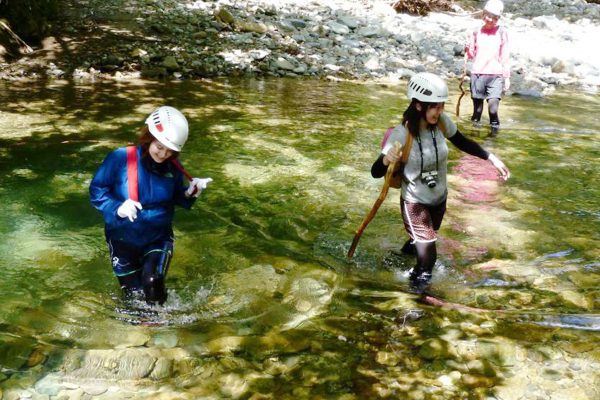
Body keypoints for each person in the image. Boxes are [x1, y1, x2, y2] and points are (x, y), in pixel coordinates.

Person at [371, 72, 510, 293]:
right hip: (415, 203)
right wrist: (387, 159)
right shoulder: (401, 134)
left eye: (441, 105)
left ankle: (397, 258)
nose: (440, 110)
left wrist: (491, 158)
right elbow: (375, 172)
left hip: (439, 199)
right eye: (434, 106)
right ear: (418, 106)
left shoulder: (441, 123)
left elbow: (462, 141)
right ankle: (416, 301)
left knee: (422, 241)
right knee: (428, 262)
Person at [89, 106, 212, 305]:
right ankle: (140, 330)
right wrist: (117, 207)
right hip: (122, 238)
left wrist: (190, 192)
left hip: (158, 236)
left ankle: (160, 326)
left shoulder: (173, 167)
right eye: (159, 147)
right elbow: (96, 191)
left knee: (153, 281)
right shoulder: (120, 158)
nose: (163, 154)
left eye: (170, 151)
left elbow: (176, 198)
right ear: (149, 138)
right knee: (133, 296)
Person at [464, 0, 510, 136]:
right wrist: (467, 46)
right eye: (486, 15)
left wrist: (507, 77)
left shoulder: (502, 32)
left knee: (493, 110)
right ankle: (473, 141)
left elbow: (505, 55)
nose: (488, 19)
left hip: (495, 76)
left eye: (492, 16)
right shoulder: (476, 31)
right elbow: (471, 54)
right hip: (477, 74)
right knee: (477, 112)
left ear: (498, 18)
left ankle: (492, 141)